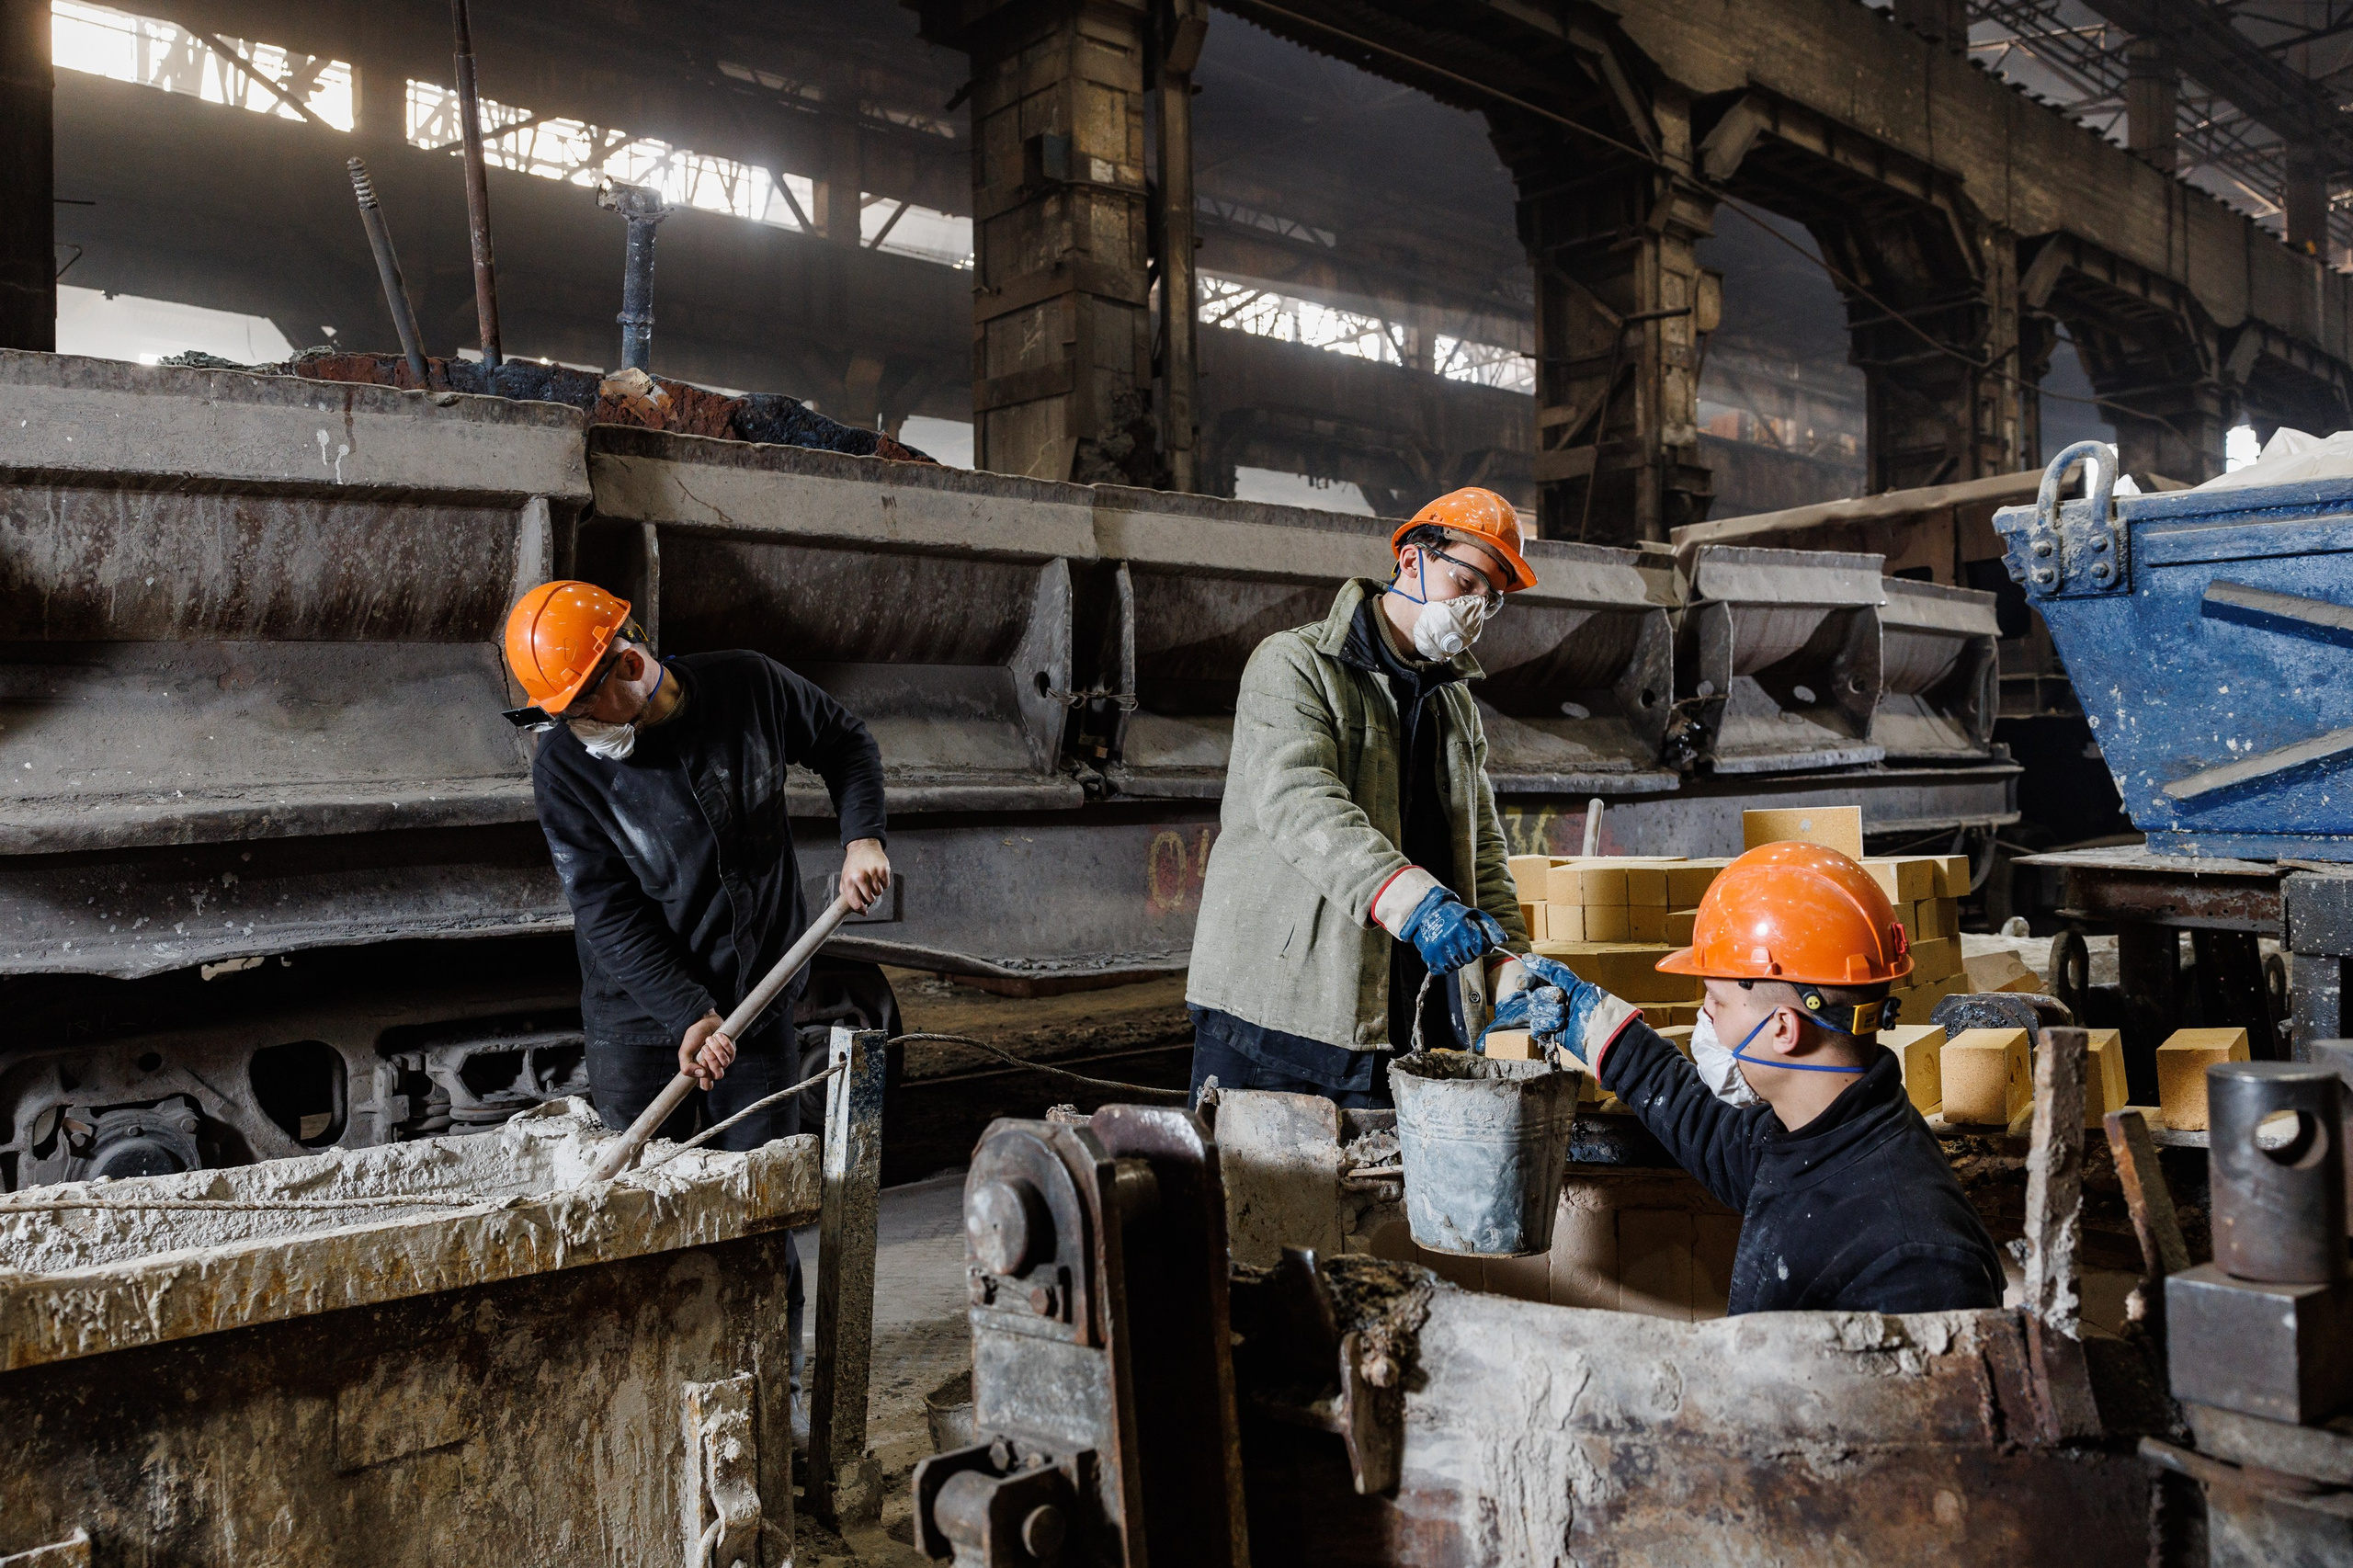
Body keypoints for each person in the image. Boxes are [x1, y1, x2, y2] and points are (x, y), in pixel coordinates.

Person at [502, 581, 892, 1415]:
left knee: (758, 1218)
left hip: (757, 1007)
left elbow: (845, 742)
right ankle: (649, 1404)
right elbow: (604, 908)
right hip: (641, 1021)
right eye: (562, 714)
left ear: (632, 663)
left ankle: (765, 1400)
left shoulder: (750, 687)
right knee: (639, 1218)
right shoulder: (567, 769)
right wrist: (687, 1012)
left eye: (583, 707)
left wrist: (863, 834)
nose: (576, 729)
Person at [1489, 840, 2005, 1313]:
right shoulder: (1827, 1133)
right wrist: (1593, 1022)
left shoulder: (1915, 1262)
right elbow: (1709, 1133)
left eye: (1716, 1000)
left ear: (1783, 1028)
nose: (1706, 1016)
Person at [1186, 487, 1540, 1109]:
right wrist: (1419, 905)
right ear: (1411, 560)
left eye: (1491, 599)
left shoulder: (1453, 703)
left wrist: (1511, 963)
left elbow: (1482, 846)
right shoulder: (1294, 664)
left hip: (1389, 1012)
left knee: (1374, 1197)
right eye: (1466, 582)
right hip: (1280, 1010)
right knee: (1261, 1198)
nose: (1475, 609)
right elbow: (1302, 804)